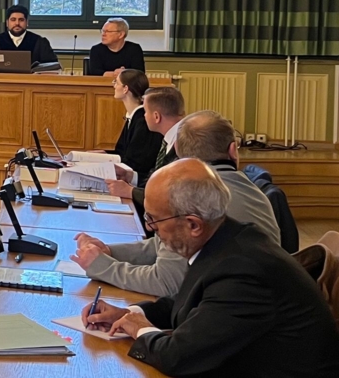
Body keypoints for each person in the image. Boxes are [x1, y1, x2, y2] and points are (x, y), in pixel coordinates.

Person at [81, 159, 339, 377]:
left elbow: (177, 357)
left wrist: (139, 328)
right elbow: (188, 303)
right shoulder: (227, 239)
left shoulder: (244, 272)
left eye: (154, 219)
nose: (150, 228)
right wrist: (129, 313)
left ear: (193, 225)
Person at [73, 111, 281, 297]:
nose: (149, 226)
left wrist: (103, 267)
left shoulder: (194, 196)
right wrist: (111, 252)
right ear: (233, 150)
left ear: (177, 151)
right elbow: (164, 245)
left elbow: (166, 282)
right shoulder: (250, 189)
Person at [106, 86, 185, 203]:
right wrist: (130, 176)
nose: (144, 116)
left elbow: (170, 194)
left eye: (146, 112)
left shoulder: (186, 142)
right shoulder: (169, 136)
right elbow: (157, 179)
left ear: (156, 117)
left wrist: (130, 191)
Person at [110, 70, 162, 181]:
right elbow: (122, 152)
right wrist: (102, 155)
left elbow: (136, 162)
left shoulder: (143, 120)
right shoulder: (133, 116)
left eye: (116, 82)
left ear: (125, 89)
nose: (114, 86)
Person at [0, 5, 57, 72]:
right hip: (1, 84)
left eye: (21, 20)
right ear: (7, 23)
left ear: (27, 22)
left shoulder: (40, 42)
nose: (17, 23)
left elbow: (52, 65)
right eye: (13, 20)